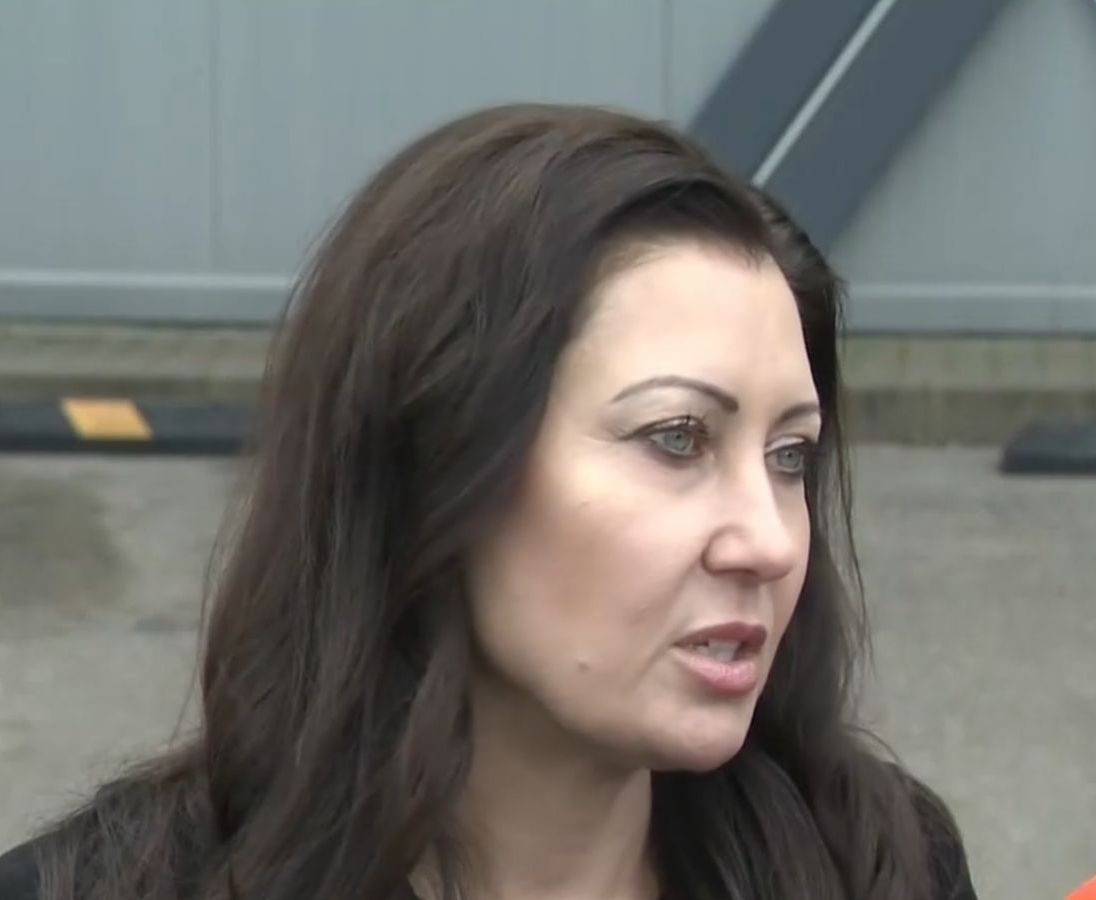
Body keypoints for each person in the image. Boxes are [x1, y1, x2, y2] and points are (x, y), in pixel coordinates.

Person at [0, 103, 976, 900]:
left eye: (791, 455)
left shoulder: (877, 865)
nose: (769, 542)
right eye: (677, 438)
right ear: (438, 461)